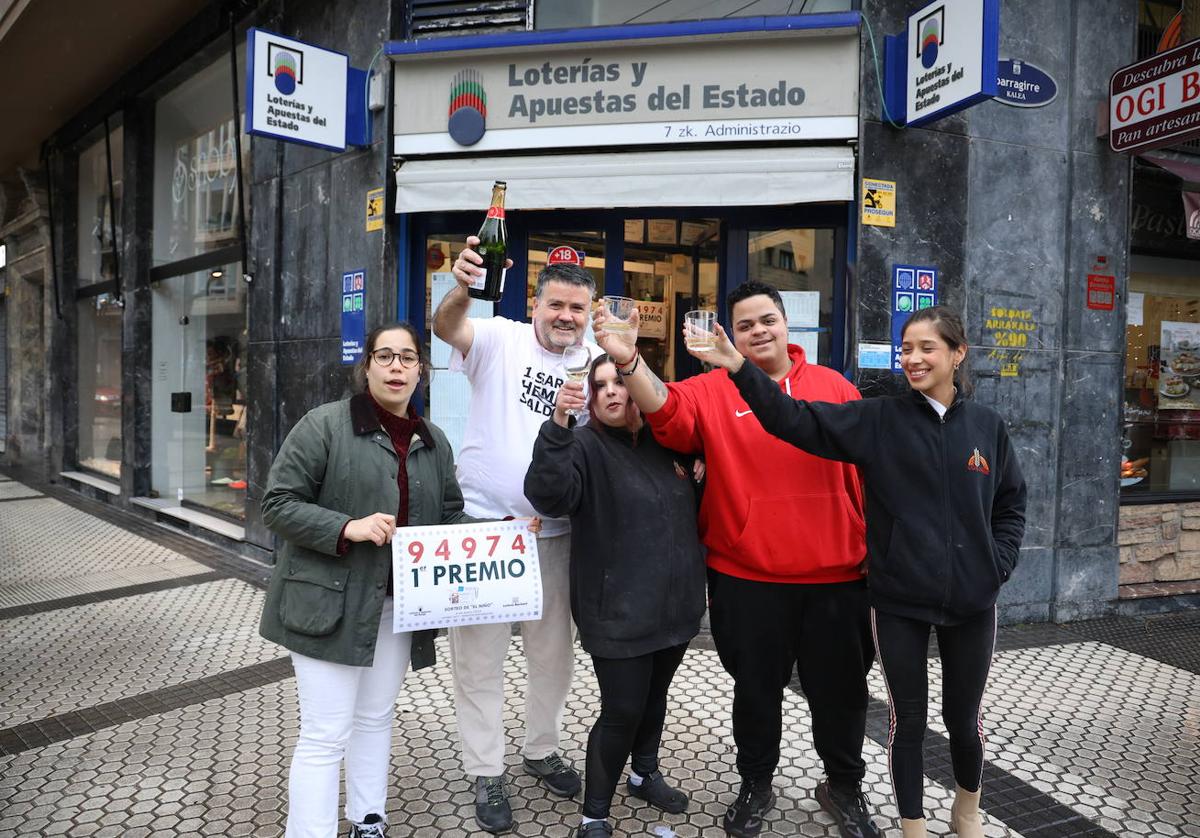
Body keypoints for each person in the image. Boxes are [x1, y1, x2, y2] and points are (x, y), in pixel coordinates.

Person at [692, 305, 1027, 838]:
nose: (913, 359)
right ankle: (903, 825)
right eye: (906, 349)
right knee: (904, 720)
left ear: (957, 353)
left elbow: (1010, 504)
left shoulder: (987, 426)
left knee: (957, 720)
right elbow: (791, 419)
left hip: (969, 599)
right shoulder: (879, 418)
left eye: (926, 348)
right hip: (896, 599)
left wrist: (996, 564)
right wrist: (737, 367)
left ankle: (941, 807)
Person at [593, 281, 880, 838]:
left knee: (842, 696)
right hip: (747, 578)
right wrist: (628, 359)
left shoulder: (835, 387)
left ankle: (844, 786)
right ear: (729, 332)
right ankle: (755, 783)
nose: (758, 331)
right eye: (745, 324)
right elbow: (665, 412)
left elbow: (869, 471)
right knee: (754, 693)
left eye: (767, 319)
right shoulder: (710, 388)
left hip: (839, 577)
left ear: (786, 322)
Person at [259, 322, 495, 838]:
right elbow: (277, 504)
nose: (396, 367)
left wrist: (506, 535)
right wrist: (348, 526)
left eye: (407, 358)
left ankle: (369, 818)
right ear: (366, 365)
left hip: (396, 607)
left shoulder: (434, 441)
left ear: (421, 371)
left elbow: (450, 517)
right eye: (385, 356)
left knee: (374, 719)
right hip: (327, 605)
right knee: (325, 733)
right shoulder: (324, 425)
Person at [435, 240, 599, 832]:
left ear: (590, 311)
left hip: (558, 535)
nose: (566, 317)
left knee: (553, 657)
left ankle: (539, 749)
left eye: (577, 308)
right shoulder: (500, 337)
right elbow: (446, 324)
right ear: (535, 303)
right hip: (487, 531)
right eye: (556, 305)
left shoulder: (597, 359)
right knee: (478, 659)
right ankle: (486, 769)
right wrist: (461, 287)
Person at [524, 355, 706, 838]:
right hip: (617, 613)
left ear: (638, 386)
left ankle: (644, 773)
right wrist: (558, 424)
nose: (609, 392)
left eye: (619, 382)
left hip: (675, 607)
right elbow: (549, 495)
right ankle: (594, 814)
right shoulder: (581, 445)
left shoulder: (670, 443)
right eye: (598, 384)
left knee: (654, 698)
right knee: (623, 709)